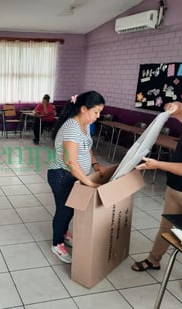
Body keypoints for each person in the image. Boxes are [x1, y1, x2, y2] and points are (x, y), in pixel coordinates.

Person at [131, 101, 182, 298]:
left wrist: (157, 164)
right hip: (174, 189)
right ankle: (153, 260)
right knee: (165, 227)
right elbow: (180, 109)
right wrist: (172, 106)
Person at [48, 91, 106, 263]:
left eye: (100, 112)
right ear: (83, 109)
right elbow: (70, 162)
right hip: (62, 175)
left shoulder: (85, 124)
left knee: (72, 207)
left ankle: (64, 233)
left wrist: (95, 164)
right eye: (95, 112)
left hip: (76, 176)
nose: (98, 116)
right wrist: (88, 182)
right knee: (64, 209)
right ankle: (57, 243)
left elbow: (88, 146)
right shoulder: (72, 128)